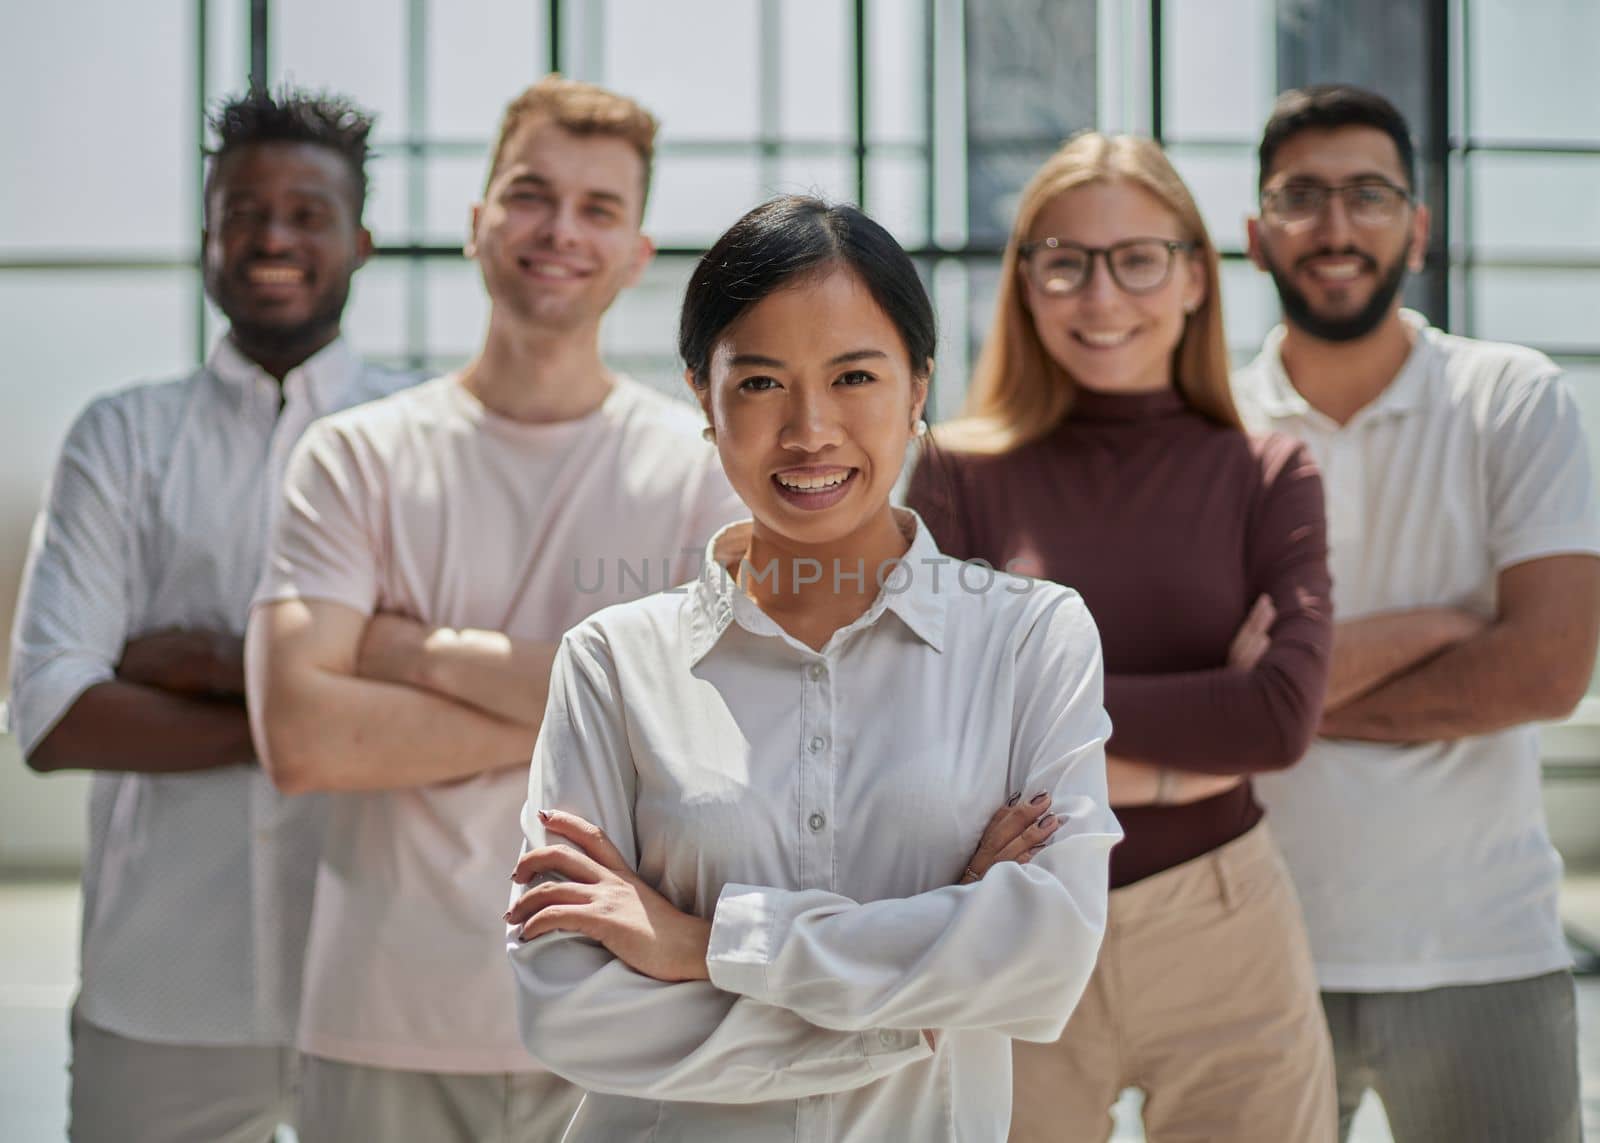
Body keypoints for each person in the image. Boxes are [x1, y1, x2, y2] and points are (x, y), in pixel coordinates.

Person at [501, 195, 1122, 1141]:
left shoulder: (1030, 638)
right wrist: (917, 1005)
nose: (810, 429)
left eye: (854, 375)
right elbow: (570, 1010)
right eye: (758, 384)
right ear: (702, 401)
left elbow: (1045, 955)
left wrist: (703, 946)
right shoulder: (614, 662)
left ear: (918, 388)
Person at [244, 75, 743, 1143]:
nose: (560, 229)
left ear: (636, 254)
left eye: (599, 208)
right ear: (476, 223)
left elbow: (707, 740)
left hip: (622, 1019)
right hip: (385, 1017)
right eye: (530, 193)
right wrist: (600, 704)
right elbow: (300, 735)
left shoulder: (698, 476)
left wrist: (406, 649)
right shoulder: (354, 456)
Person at [906, 131, 1338, 1142]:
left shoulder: (1268, 474)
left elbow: (1276, 720)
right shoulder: (956, 473)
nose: (1101, 297)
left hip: (1223, 923)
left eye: (1137, 259)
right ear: (1026, 281)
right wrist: (1176, 762)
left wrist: (1045, 726)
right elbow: (940, 728)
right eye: (1065, 262)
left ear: (1194, 276)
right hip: (1015, 918)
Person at [6, 88, 410, 1142]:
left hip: (385, 990)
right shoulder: (121, 438)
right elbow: (55, 715)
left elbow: (454, 688)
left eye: (306, 212)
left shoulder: (427, 438)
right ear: (207, 236)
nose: (271, 236)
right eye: (242, 211)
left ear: (359, 239)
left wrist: (179, 664)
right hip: (161, 991)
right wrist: (331, 718)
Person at [1235, 84, 1599, 1143]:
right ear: (1256, 235)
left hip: (1482, 950)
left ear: (1418, 229)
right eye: (1300, 197)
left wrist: (1275, 701)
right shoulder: (1211, 427)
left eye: (1368, 194)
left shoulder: (1511, 398)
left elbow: (1544, 671)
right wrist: (1444, 630)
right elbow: (1184, 679)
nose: (1335, 226)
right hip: (1251, 958)